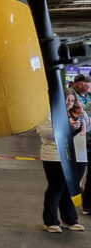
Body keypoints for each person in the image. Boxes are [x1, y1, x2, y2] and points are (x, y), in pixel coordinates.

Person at [37, 88, 87, 233]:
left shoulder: (73, 112)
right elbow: (44, 132)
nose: (69, 104)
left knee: (69, 188)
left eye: (72, 101)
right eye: (67, 100)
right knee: (56, 186)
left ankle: (70, 219)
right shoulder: (48, 112)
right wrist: (66, 127)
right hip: (53, 155)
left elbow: (85, 128)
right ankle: (50, 221)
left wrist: (81, 113)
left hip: (71, 155)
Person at [72, 74, 91, 213]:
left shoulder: (88, 97)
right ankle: (76, 191)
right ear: (79, 84)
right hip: (78, 138)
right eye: (86, 83)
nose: (88, 86)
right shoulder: (72, 96)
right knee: (79, 168)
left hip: (85, 136)